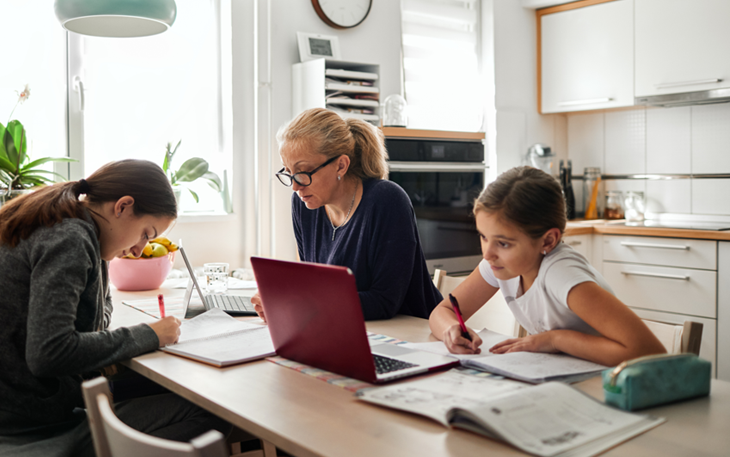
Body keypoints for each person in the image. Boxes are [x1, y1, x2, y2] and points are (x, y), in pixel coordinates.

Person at [0, 160, 229, 457]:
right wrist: (149, 334)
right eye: (145, 233)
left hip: (31, 418)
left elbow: (96, 319)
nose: (140, 249)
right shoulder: (69, 238)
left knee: (202, 410)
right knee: (209, 422)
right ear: (123, 206)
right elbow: (50, 352)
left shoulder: (81, 233)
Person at [429, 166, 666, 366]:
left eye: (503, 243)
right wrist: (451, 329)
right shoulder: (501, 264)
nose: (487, 254)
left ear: (547, 241)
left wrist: (555, 340)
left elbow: (649, 353)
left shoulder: (561, 274)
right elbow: (442, 311)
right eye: (483, 236)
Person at [251, 108, 442, 321]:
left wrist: (301, 303)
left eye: (303, 172)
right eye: (288, 172)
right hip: (345, 325)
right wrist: (280, 298)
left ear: (341, 165)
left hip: (414, 331)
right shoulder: (304, 204)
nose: (295, 186)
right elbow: (315, 286)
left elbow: (384, 302)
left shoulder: (387, 200)